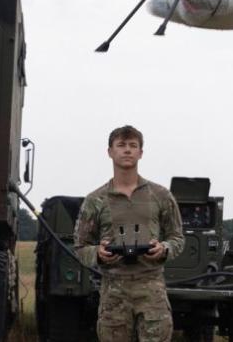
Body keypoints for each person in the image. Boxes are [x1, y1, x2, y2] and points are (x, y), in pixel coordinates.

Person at [73, 125, 185, 342]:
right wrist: (98, 253)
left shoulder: (160, 195)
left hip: (151, 288)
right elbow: (79, 246)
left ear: (141, 153)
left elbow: (177, 238)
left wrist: (164, 249)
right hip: (114, 290)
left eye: (133, 145)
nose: (127, 150)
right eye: (121, 145)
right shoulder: (95, 200)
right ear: (110, 152)